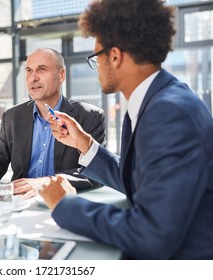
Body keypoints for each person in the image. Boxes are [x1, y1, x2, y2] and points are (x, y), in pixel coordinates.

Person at [40, 0, 213, 259]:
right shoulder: (155, 101)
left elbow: (152, 233)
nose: (96, 66)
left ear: (115, 56)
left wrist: (66, 205)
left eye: (95, 57)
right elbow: (140, 181)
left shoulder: (168, 113)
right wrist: (84, 143)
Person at [0, 48, 106, 198]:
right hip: (20, 202)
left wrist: (45, 183)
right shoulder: (12, 117)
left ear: (61, 75)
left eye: (41, 69)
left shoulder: (90, 116)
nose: (33, 78)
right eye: (29, 71)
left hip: (64, 202)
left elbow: (95, 173)